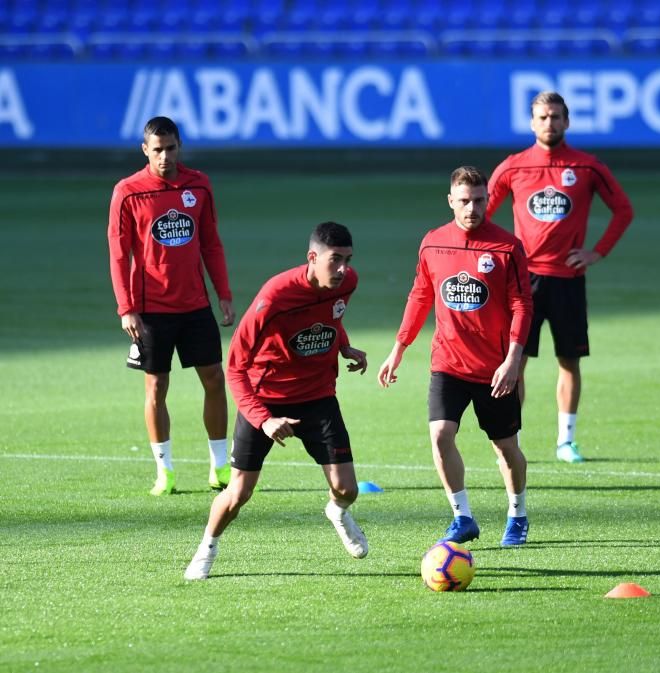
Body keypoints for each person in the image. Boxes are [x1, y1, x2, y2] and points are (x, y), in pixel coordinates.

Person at [184, 221, 369, 580]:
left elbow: (330, 314)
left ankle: (336, 512)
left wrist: (343, 344)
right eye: (335, 260)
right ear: (312, 257)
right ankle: (206, 548)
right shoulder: (275, 296)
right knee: (238, 493)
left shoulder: (347, 282)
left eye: (348, 259)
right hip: (266, 399)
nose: (343, 268)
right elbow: (235, 368)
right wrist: (264, 419)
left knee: (347, 489)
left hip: (318, 396)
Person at [378, 166, 533, 547]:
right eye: (464, 201)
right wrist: (399, 348)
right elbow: (420, 295)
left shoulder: (506, 247)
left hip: (494, 368)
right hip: (448, 363)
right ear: (451, 201)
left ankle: (517, 513)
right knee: (440, 434)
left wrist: (513, 359)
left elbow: (522, 304)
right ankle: (462, 516)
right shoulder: (432, 243)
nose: (472, 208)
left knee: (505, 447)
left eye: (479, 200)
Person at [487, 90, 633, 464]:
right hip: (522, 282)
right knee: (515, 362)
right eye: (542, 117)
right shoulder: (514, 167)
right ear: (531, 122)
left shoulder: (587, 167)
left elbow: (623, 210)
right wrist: (499, 256)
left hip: (568, 279)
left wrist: (597, 251)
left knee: (569, 360)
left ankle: (566, 441)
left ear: (566, 121)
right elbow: (478, 215)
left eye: (555, 117)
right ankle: (511, 439)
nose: (549, 123)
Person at [108, 116, 235, 496]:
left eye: (171, 148)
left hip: (195, 304)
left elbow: (211, 242)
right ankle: (165, 471)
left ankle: (220, 466)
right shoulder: (128, 192)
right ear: (145, 150)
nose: (165, 156)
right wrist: (125, 307)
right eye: (157, 149)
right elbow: (118, 254)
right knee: (156, 387)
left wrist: (223, 293)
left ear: (180, 147)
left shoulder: (198, 184)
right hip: (150, 309)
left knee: (214, 379)